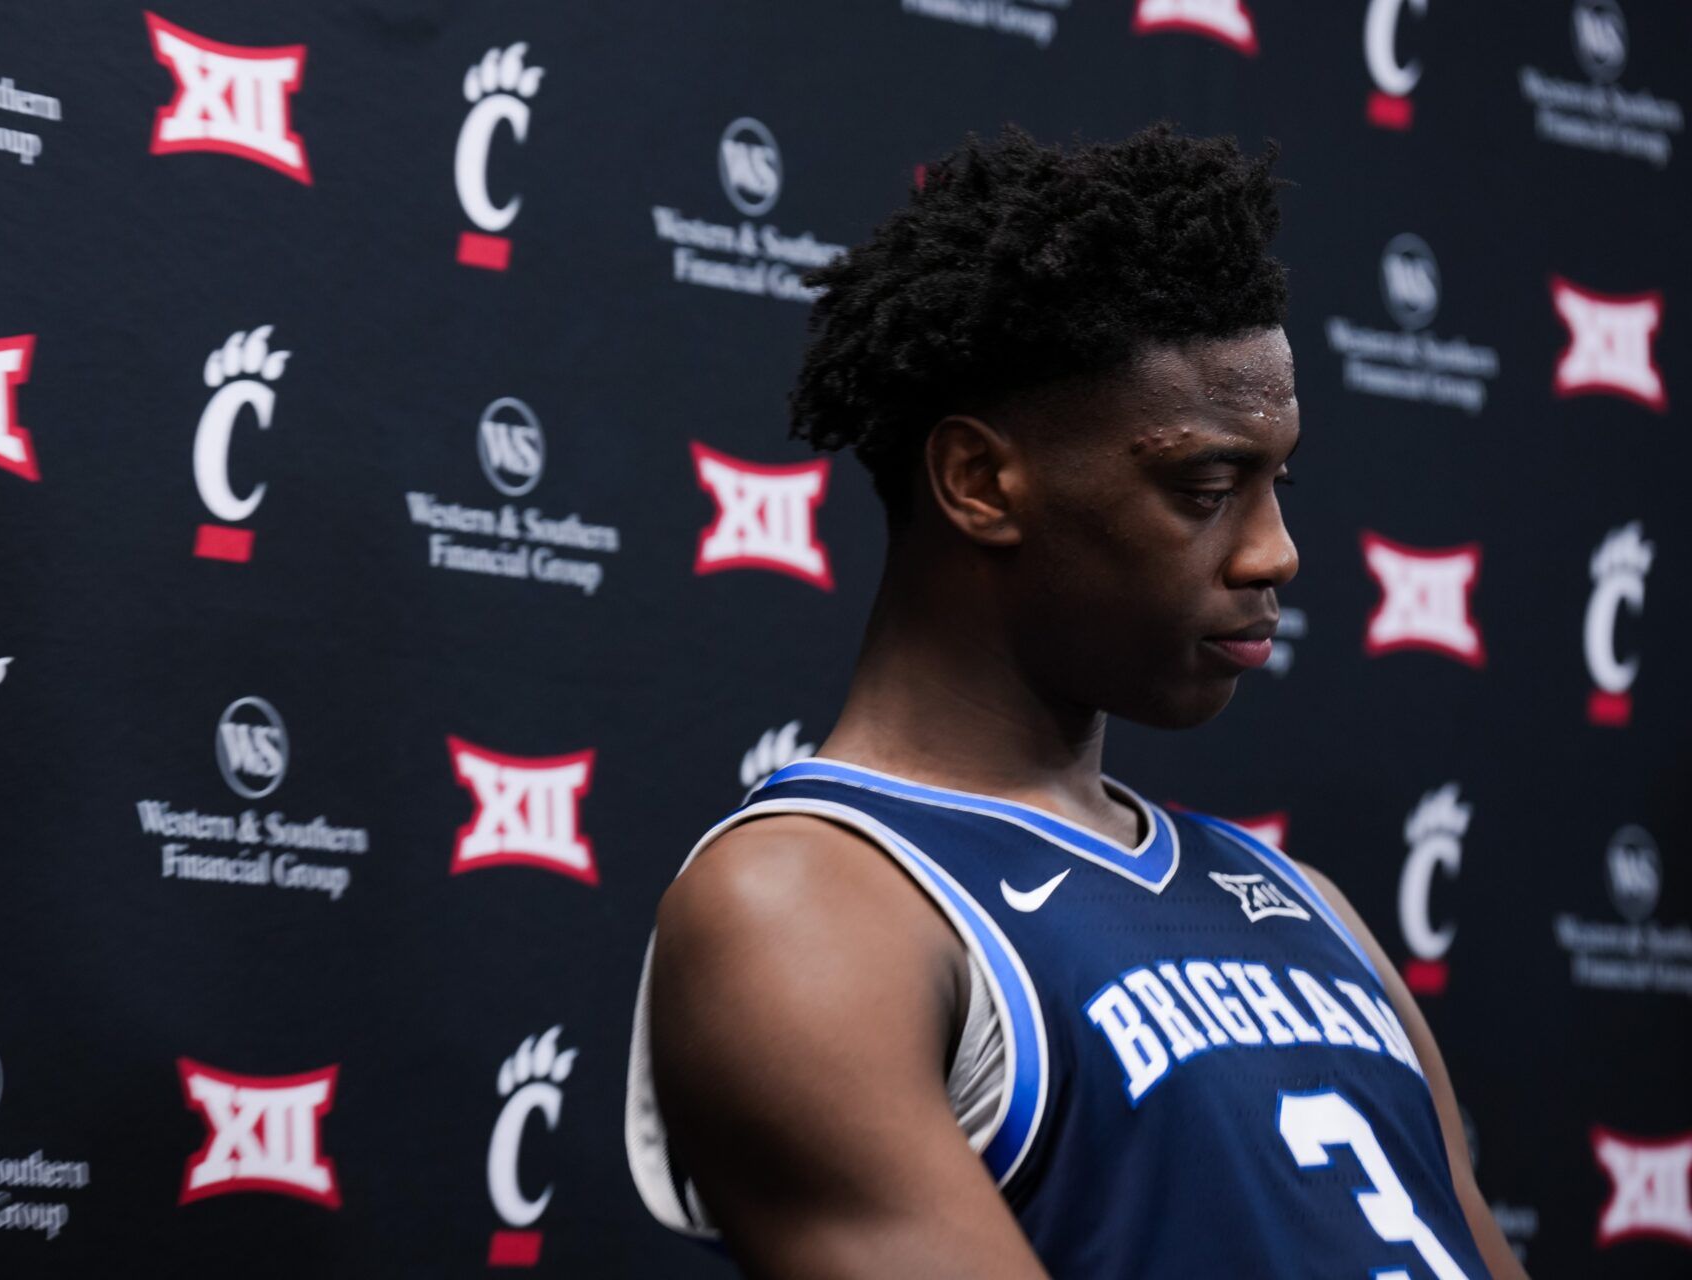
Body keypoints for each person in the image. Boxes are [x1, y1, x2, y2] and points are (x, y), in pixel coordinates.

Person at [622, 122, 1529, 1279]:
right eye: (1205, 487)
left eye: (1276, 483)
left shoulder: (1313, 907)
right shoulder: (816, 900)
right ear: (979, 482)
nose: (1278, 553)